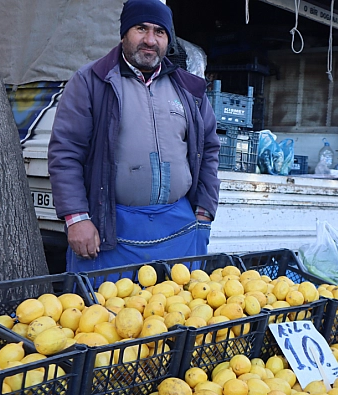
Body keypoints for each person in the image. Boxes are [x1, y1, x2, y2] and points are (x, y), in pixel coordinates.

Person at [48, 0, 220, 273]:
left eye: (159, 32)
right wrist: (76, 218)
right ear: (124, 33)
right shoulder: (92, 81)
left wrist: (204, 211)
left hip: (180, 229)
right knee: (105, 314)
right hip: (111, 228)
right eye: (141, 28)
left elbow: (209, 148)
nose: (150, 40)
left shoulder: (189, 88)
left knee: (181, 312)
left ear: (167, 39)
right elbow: (65, 153)